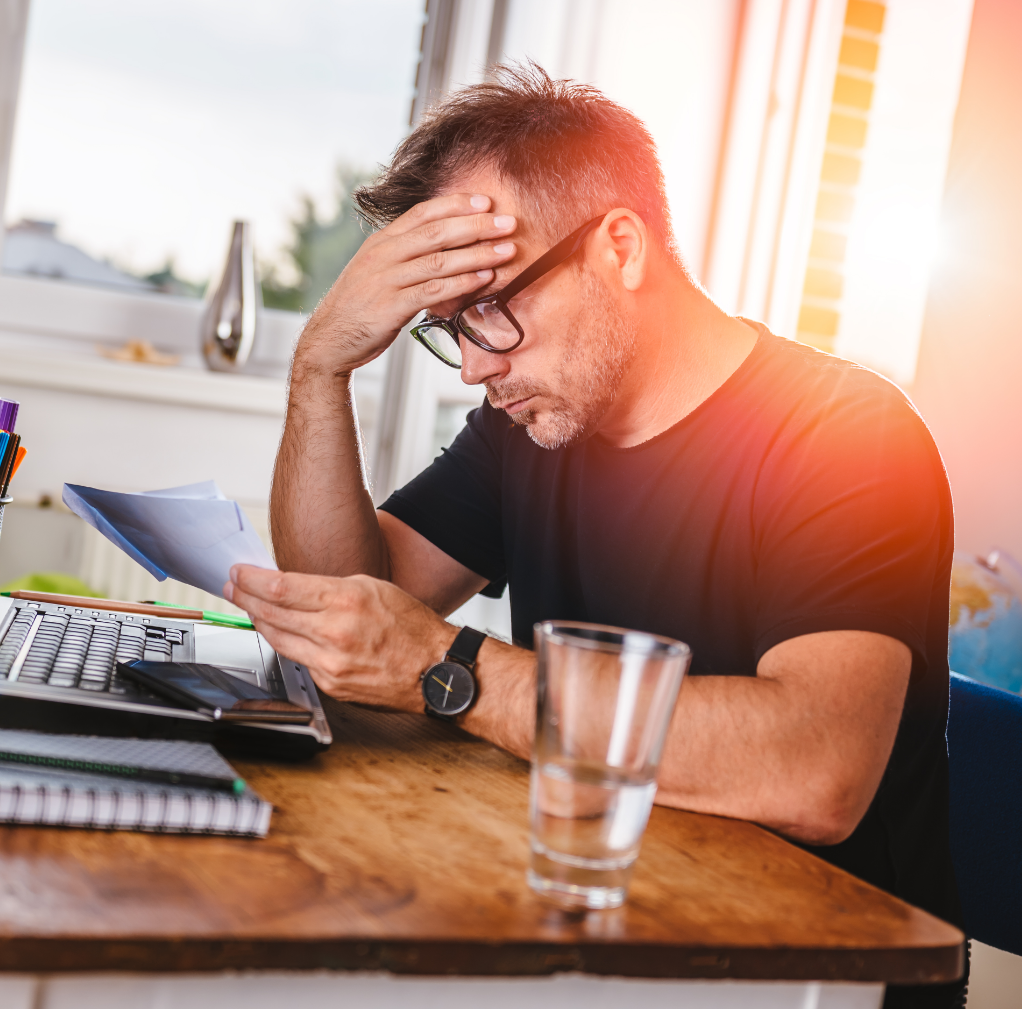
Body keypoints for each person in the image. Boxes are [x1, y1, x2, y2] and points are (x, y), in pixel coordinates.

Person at [223, 65, 963, 1004]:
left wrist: (448, 670)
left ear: (619, 246)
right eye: (450, 328)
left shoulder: (848, 436)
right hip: (599, 921)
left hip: (806, 968)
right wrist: (319, 365)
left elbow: (811, 771)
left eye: (493, 310)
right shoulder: (533, 422)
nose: (473, 368)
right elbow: (357, 607)